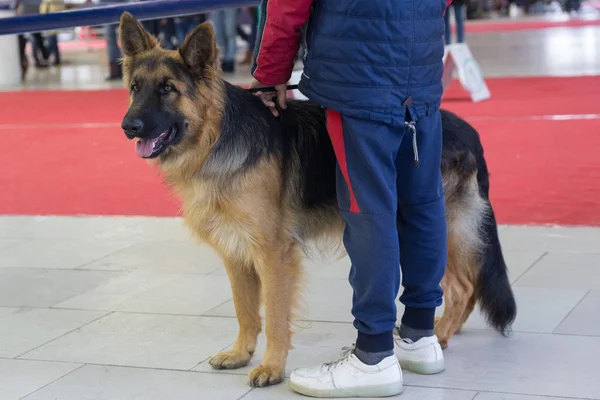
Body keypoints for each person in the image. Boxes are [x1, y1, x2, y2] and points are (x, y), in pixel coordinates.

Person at [250, 0, 452, 397]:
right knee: (423, 204)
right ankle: (419, 334)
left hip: (360, 78)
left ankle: (373, 355)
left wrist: (270, 73)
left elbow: (287, 6)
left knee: (368, 214)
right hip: (420, 71)